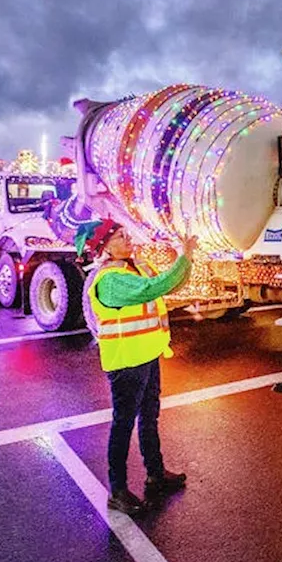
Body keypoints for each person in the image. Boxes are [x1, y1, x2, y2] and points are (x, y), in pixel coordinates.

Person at [77, 219, 195, 517]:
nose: (128, 239)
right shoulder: (110, 278)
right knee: (123, 423)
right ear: (104, 246)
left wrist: (186, 256)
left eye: (126, 234)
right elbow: (152, 288)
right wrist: (183, 256)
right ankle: (117, 491)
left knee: (149, 417)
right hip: (126, 361)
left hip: (148, 354)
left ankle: (155, 473)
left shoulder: (133, 267)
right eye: (119, 236)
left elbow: (171, 284)